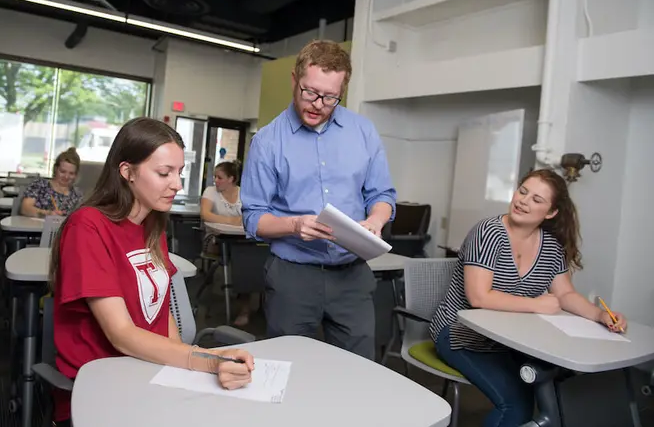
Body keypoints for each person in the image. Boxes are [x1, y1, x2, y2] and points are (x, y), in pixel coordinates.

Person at [50, 117, 254, 427]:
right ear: (126, 171)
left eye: (179, 172)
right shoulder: (87, 227)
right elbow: (120, 334)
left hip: (150, 372)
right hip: (102, 385)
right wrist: (204, 361)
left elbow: (160, 311)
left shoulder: (151, 221)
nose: (177, 184)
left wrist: (191, 362)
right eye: (164, 173)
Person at [430, 168, 628, 427]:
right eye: (523, 192)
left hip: (509, 340)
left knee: (563, 385)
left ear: (550, 212)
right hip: (460, 335)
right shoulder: (489, 232)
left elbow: (565, 293)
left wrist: (600, 315)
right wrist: (537, 304)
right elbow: (478, 297)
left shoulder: (551, 246)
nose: (523, 201)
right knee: (516, 405)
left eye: (536, 199)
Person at [240, 39, 397, 360]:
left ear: (343, 91)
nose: (317, 104)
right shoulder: (268, 141)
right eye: (309, 92)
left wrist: (375, 220)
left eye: (329, 97)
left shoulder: (363, 131)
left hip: (352, 275)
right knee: (287, 369)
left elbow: (382, 196)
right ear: (294, 80)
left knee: (358, 372)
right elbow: (253, 218)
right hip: (293, 277)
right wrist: (294, 225)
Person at [200, 160, 257, 326]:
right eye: (215, 177)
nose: (215, 181)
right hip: (216, 240)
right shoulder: (210, 192)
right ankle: (244, 304)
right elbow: (205, 215)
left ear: (231, 179)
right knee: (244, 259)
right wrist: (233, 221)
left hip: (241, 241)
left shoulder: (244, 193)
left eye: (220, 177)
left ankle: (245, 306)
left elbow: (251, 217)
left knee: (249, 259)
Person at [20, 147, 83, 217]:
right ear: (55, 169)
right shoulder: (39, 185)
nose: (66, 177)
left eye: (71, 173)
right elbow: (25, 209)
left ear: (76, 174)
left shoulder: (77, 195)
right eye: (62, 172)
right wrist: (48, 214)